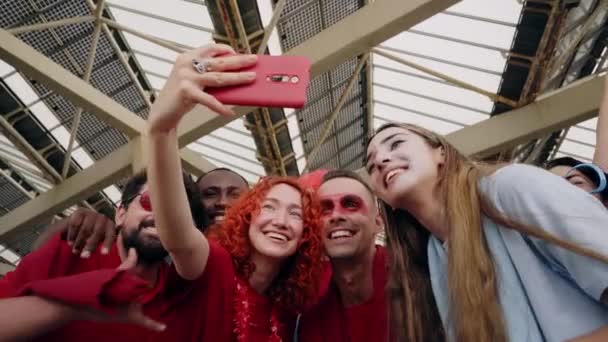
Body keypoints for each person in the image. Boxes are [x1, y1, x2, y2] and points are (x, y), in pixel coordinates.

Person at [365, 122, 608, 342]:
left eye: (396, 143)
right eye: (370, 165)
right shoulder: (430, 261)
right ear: (385, 200)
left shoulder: (512, 186)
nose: (380, 161)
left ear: (441, 153)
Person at [146, 43, 324, 341]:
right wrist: (162, 130)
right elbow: (178, 237)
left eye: (296, 214)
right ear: (247, 218)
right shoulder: (211, 267)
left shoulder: (285, 313)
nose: (280, 220)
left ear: (306, 235)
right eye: (269, 207)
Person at [0, 170, 207, 341]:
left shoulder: (180, 298)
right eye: (149, 202)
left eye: (176, 213)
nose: (161, 217)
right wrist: (77, 301)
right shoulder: (72, 251)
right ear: (121, 214)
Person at [298, 169, 389, 342]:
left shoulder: (420, 281)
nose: (337, 216)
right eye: (324, 209)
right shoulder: (309, 314)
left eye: (350, 204)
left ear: (378, 223)